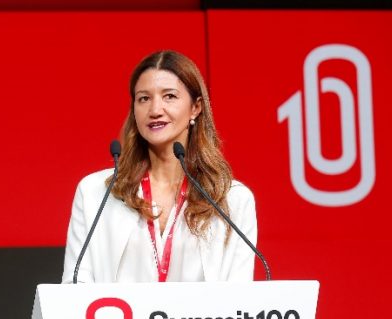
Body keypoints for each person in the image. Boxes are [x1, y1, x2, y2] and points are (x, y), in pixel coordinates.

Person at [62, 50, 257, 283]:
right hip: (116, 309)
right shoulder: (95, 193)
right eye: (144, 99)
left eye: (169, 96)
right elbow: (75, 288)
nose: (155, 110)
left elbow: (240, 297)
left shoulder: (232, 200)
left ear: (196, 107)